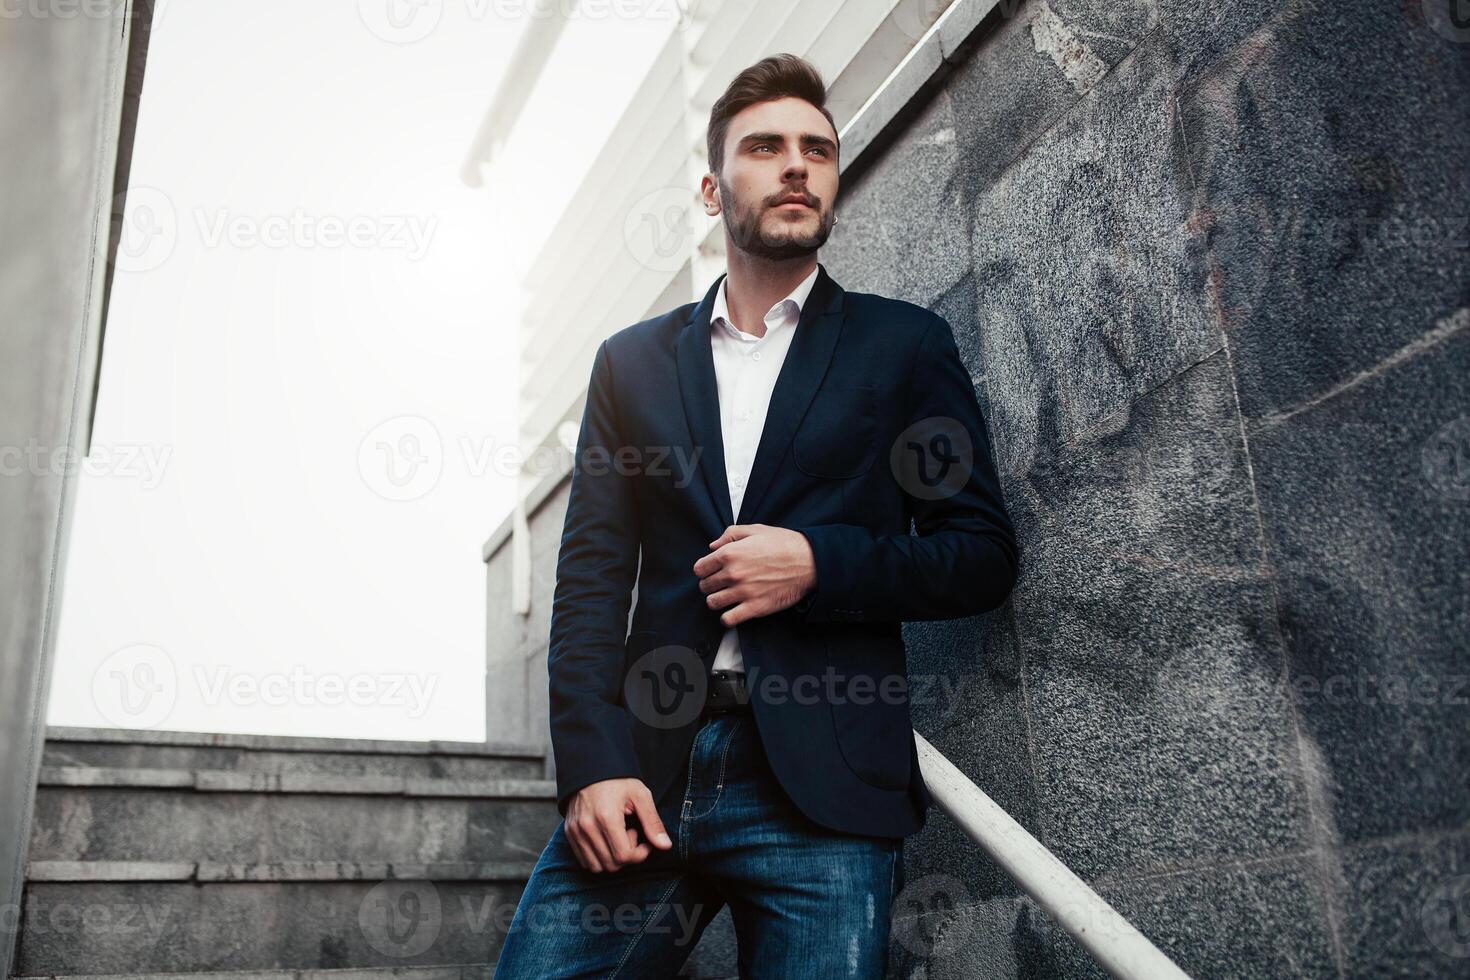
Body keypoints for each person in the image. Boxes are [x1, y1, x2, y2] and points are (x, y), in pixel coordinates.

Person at [493, 52, 1018, 979]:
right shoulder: (632, 365)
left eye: (818, 149)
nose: (796, 165)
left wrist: (819, 564)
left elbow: (980, 554)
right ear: (710, 188)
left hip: (821, 795)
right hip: (644, 777)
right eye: (766, 146)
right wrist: (590, 766)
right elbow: (588, 587)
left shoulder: (904, 347)